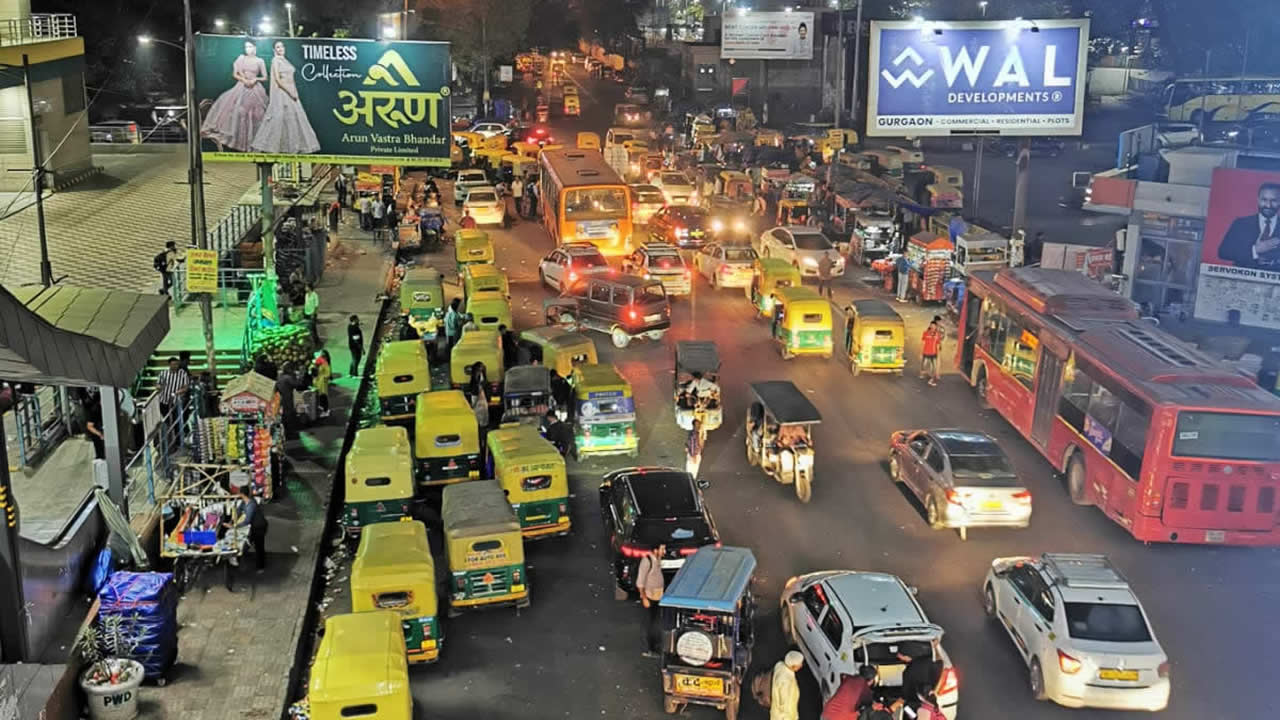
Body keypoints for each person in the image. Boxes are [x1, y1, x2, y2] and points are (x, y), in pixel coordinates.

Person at [249, 41, 320, 154]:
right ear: (274, 50)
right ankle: (271, 146)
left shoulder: (285, 61)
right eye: (277, 47)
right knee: (279, 118)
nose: (280, 48)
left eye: (281, 46)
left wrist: (294, 92)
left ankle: (292, 147)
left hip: (292, 93)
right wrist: (290, 92)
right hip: (283, 93)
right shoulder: (275, 60)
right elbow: (277, 79)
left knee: (292, 119)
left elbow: (291, 80)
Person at [200, 40, 268, 152]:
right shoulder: (241, 58)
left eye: (250, 46)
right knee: (238, 112)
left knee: (256, 114)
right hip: (242, 86)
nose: (248, 49)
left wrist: (255, 79)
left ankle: (254, 143)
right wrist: (244, 80)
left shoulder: (260, 61)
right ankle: (241, 142)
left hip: (255, 88)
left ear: (255, 48)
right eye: (246, 47)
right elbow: (235, 74)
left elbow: (265, 77)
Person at [1218, 182, 1280, 269]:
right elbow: (1224, 252)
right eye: (1264, 200)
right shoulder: (1240, 224)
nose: (1268, 205)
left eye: (1273, 200)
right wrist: (1255, 250)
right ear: (1258, 200)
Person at [635, 544, 666, 656]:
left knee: (655, 622)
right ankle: (649, 648)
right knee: (650, 624)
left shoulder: (657, 559)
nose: (664, 551)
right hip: (649, 596)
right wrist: (644, 598)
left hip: (657, 596)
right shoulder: (647, 561)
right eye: (662, 549)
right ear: (655, 549)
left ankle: (656, 646)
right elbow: (640, 582)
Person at [770, 651, 804, 720]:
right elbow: (786, 708)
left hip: (775, 713)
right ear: (793, 666)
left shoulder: (780, 666)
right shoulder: (787, 683)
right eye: (800, 664)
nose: (801, 665)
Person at [275, 364, 300, 440]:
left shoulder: (280, 377)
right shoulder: (288, 378)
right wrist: (296, 376)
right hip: (287, 397)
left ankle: (284, 432)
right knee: (288, 415)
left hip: (281, 397)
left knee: (283, 415)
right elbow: (297, 384)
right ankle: (290, 433)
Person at [921, 316, 943, 387]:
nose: (933, 327)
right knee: (926, 364)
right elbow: (923, 342)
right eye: (932, 326)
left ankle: (933, 377)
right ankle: (928, 374)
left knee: (934, 365)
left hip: (934, 352)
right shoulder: (926, 332)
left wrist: (938, 352)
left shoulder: (938, 333)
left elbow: (939, 342)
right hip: (927, 351)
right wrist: (921, 352)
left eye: (934, 326)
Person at [312, 351, 332, 418]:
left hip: (322, 383)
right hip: (316, 383)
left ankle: (326, 410)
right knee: (319, 397)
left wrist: (323, 377)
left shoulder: (324, 363)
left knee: (323, 397)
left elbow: (328, 373)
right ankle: (323, 409)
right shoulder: (315, 363)